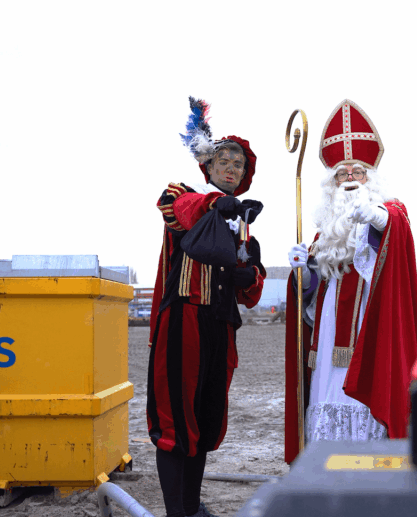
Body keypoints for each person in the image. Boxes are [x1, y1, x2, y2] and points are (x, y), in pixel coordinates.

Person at [283, 99, 417, 463]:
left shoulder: (389, 212)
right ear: (332, 184)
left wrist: (375, 217)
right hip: (328, 333)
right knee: (326, 393)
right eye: (341, 174)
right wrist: (303, 271)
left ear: (370, 179)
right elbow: (310, 297)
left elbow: (395, 234)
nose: (349, 179)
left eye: (357, 172)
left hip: (369, 326)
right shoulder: (325, 232)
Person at [147, 96, 266, 517]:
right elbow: (176, 209)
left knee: (205, 419)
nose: (231, 169)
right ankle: (176, 512)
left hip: (220, 327)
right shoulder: (185, 196)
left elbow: (251, 295)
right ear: (208, 167)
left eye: (238, 165)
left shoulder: (245, 231)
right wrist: (215, 203)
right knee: (176, 421)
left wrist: (249, 278)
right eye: (223, 162)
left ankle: (192, 507)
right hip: (184, 321)